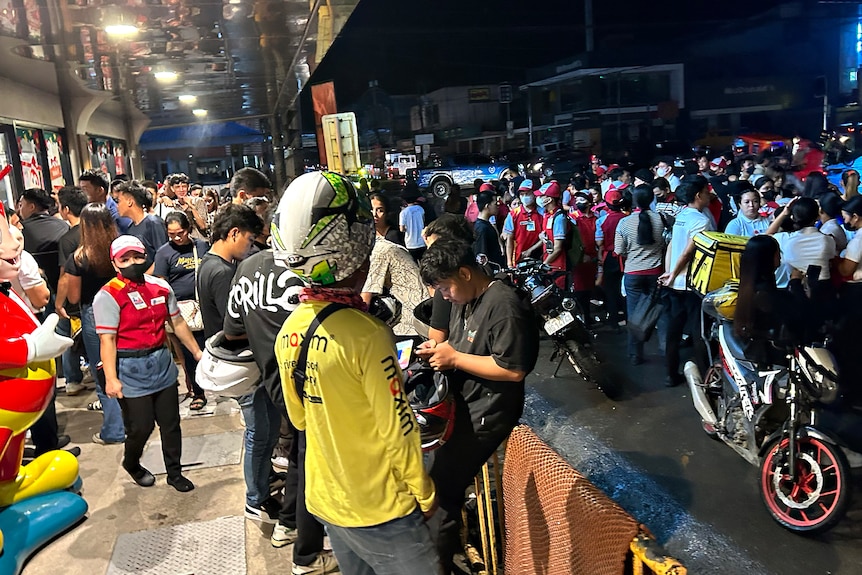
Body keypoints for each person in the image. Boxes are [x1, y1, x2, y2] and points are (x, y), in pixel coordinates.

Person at [273, 171, 438, 575]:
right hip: (379, 507)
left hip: (326, 498)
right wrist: (425, 491)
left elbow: (298, 418)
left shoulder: (289, 330)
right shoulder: (368, 335)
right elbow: (397, 428)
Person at [417, 238, 539, 574]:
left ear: (465, 273)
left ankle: (435, 563)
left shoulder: (503, 304)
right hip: (462, 403)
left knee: (442, 489)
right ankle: (449, 543)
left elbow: (512, 369)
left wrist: (454, 358)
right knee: (434, 477)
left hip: (488, 412)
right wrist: (439, 350)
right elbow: (459, 342)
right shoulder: (464, 297)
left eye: (445, 287)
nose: (444, 296)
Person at [224, 210, 334, 571]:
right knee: (311, 462)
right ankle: (305, 555)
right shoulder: (311, 268)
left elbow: (233, 330)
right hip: (312, 377)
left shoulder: (248, 267)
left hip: (273, 379)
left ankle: (287, 526)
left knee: (301, 457)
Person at [94, 235, 202, 491]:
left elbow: (176, 322)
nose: (132, 262)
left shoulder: (160, 287)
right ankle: (132, 463)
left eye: (137, 256)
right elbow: (107, 340)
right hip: (130, 368)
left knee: (171, 422)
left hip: (161, 363)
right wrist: (111, 378)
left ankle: (175, 473)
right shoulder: (108, 295)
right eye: (125, 259)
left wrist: (197, 353)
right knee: (140, 427)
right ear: (115, 263)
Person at [199, 204, 282, 525]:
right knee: (259, 433)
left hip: (241, 364)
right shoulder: (222, 273)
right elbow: (236, 326)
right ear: (233, 233)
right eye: (249, 239)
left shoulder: (209, 262)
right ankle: (255, 499)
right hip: (244, 365)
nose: (251, 247)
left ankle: (263, 482)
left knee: (263, 431)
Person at [56, 203, 126, 445]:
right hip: (123, 310)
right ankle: (137, 422)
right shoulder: (120, 249)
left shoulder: (80, 257)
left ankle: (115, 430)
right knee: (125, 365)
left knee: (102, 370)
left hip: (94, 315)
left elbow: (74, 298)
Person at [659, 177, 715, 387]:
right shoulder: (701, 221)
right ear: (698, 195)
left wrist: (668, 272)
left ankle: (670, 374)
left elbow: (672, 246)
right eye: (706, 191)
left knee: (673, 331)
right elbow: (688, 252)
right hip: (691, 285)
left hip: (674, 285)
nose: (709, 195)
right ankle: (706, 378)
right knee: (698, 332)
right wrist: (673, 272)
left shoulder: (682, 216)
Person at [153, 212, 210, 410]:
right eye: (172, 234)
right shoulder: (164, 253)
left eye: (181, 232)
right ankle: (198, 391)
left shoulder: (201, 246)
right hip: (180, 310)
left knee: (206, 348)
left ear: (188, 229)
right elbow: (162, 282)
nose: (177, 237)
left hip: (202, 306)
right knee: (189, 352)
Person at [734, 235, 815, 366]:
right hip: (775, 356)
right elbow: (801, 313)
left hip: (758, 352)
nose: (781, 258)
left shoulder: (748, 287)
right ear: (767, 258)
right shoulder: (765, 294)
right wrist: (795, 282)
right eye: (778, 254)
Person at [615, 185, 666, 365]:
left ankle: (635, 354)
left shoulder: (624, 222)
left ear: (634, 201)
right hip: (657, 274)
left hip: (633, 274)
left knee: (633, 315)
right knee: (659, 312)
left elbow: (619, 250)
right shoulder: (661, 219)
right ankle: (665, 350)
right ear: (652, 198)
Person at [360, 233, 429, 336]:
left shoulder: (378, 252)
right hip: (422, 311)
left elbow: (364, 300)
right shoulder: (386, 245)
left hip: (412, 320)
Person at [767, 197, 836, 292]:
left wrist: (784, 213)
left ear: (793, 217)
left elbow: (766, 237)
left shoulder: (785, 239)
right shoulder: (827, 240)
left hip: (796, 288)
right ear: (818, 217)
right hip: (823, 290)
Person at [17, 188, 69, 297]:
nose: (19, 209)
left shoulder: (21, 231)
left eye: (21, 205)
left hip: (37, 291)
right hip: (66, 288)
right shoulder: (63, 225)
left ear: (31, 207)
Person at [116, 181, 168, 269]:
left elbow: (163, 258)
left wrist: (146, 277)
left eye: (119, 201)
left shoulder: (154, 223)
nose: (117, 206)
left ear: (130, 202)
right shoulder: (130, 228)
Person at [596, 189, 627, 328]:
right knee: (624, 288)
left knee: (610, 289)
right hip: (626, 258)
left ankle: (614, 318)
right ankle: (627, 316)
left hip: (609, 257)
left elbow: (599, 243)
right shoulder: (627, 219)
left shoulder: (601, 221)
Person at [503, 180, 543, 267]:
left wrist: (531, 250)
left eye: (528, 193)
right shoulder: (513, 214)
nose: (524, 196)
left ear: (534, 194)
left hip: (539, 257)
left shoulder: (543, 213)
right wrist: (509, 263)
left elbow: (545, 236)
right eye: (522, 194)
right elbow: (509, 239)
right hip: (518, 258)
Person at [536, 181, 568, 288]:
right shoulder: (547, 214)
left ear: (549, 199)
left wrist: (544, 264)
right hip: (549, 262)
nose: (539, 198)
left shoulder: (559, 218)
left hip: (557, 265)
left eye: (541, 196)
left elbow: (558, 248)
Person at [472, 191, 505, 268]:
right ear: (487, 206)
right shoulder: (482, 228)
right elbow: (482, 257)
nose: (498, 205)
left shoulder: (485, 225)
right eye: (495, 204)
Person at [400, 188, 427, 261]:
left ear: (405, 201)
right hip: (422, 242)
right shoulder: (420, 209)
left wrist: (408, 228)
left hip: (410, 243)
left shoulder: (403, 212)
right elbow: (423, 221)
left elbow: (401, 229)